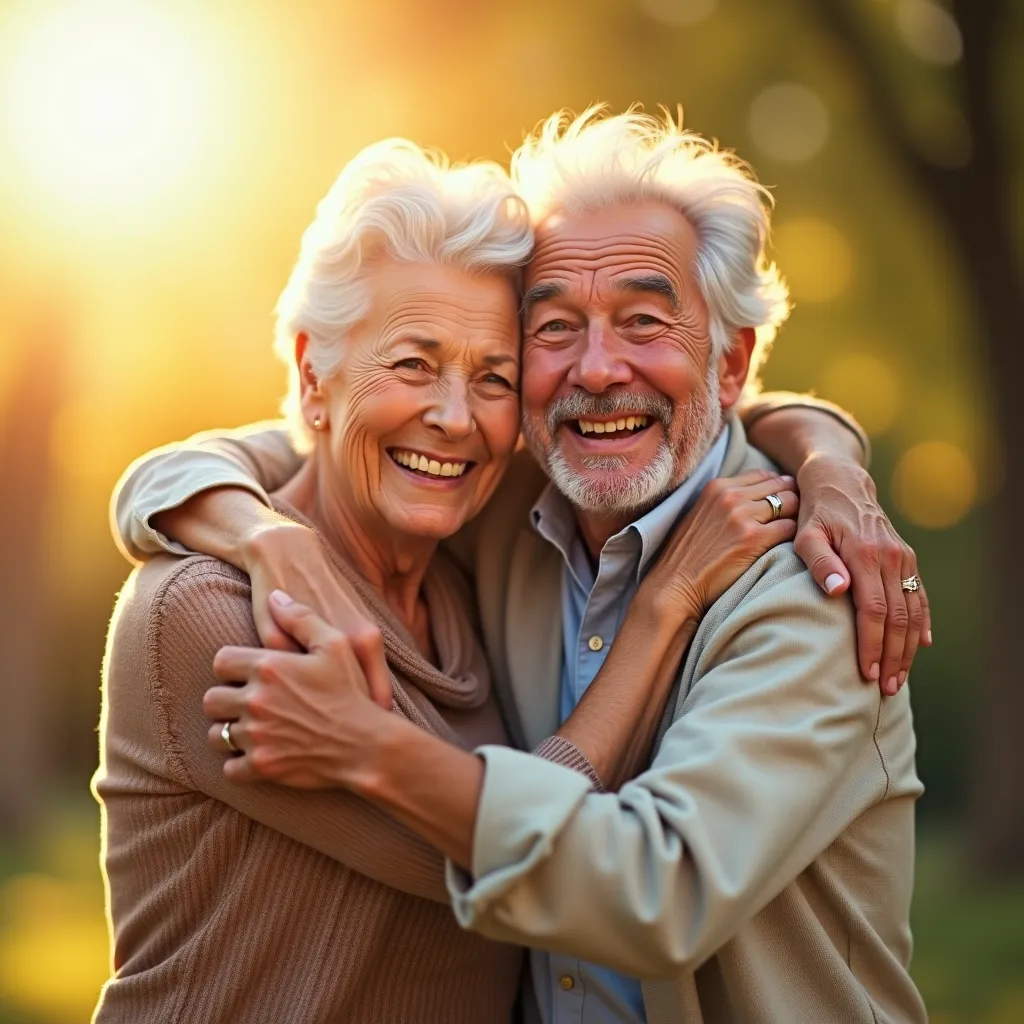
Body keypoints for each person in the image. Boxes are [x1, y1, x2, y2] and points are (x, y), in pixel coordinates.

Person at [110, 110, 928, 1023]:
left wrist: (827, 458)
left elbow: (646, 893)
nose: (597, 367)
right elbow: (294, 446)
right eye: (555, 329)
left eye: (644, 321)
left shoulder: (813, 588)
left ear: (730, 362)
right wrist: (265, 534)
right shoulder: (473, 521)